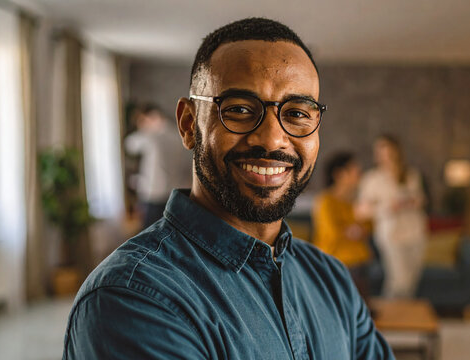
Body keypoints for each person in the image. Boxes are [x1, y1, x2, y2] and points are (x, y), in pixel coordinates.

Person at [63, 18, 393, 359]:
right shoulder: (132, 297)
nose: (271, 139)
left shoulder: (330, 279)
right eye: (238, 109)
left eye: (296, 113)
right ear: (189, 124)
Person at [356, 135, 428, 299]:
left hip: (416, 232)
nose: (384, 154)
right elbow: (361, 211)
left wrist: (413, 202)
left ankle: (404, 320)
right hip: (390, 234)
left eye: (387, 149)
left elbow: (421, 199)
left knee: (411, 282)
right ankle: (388, 316)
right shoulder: (372, 179)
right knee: (399, 281)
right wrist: (387, 208)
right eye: (380, 150)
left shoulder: (411, 175)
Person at [313, 152, 372, 297]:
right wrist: (353, 231)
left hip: (360, 261)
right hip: (336, 262)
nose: (359, 173)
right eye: (354, 169)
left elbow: (369, 227)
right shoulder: (326, 201)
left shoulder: (357, 201)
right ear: (339, 174)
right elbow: (332, 232)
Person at [124, 104, 192, 228]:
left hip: (154, 196)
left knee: (151, 235)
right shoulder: (179, 135)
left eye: (143, 121)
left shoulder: (151, 137)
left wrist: (144, 129)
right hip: (176, 193)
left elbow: (129, 144)